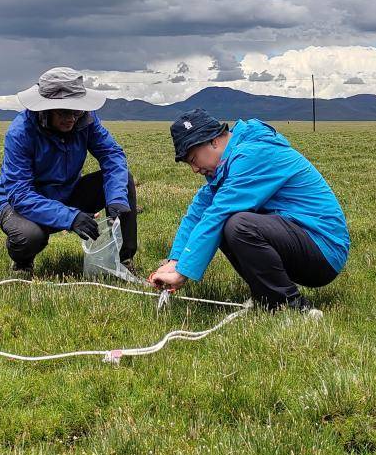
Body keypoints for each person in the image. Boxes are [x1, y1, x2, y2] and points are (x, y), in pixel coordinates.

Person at [148, 108, 348, 314]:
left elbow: (218, 214)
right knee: (227, 223)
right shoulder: (227, 165)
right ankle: (267, 296)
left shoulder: (252, 155)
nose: (195, 169)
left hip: (324, 249)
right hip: (300, 240)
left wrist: (182, 273)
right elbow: (197, 213)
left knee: (237, 224)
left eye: (193, 159)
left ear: (213, 141)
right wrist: (175, 262)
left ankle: (291, 306)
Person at [0, 67, 137, 277]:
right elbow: (20, 194)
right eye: (63, 112)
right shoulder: (20, 132)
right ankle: (22, 263)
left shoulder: (86, 120)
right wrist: (70, 217)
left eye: (76, 111)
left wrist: (116, 198)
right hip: (18, 202)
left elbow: (111, 155)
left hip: (68, 192)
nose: (71, 118)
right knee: (29, 236)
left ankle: (124, 259)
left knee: (123, 180)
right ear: (45, 110)